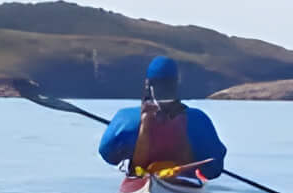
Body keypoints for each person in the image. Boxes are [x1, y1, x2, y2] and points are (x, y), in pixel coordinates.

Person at [98, 56, 228, 183]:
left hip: (140, 182)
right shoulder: (199, 120)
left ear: (147, 84)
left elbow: (108, 155)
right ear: (176, 84)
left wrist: (126, 145)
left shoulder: (125, 118)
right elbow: (214, 170)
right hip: (183, 185)